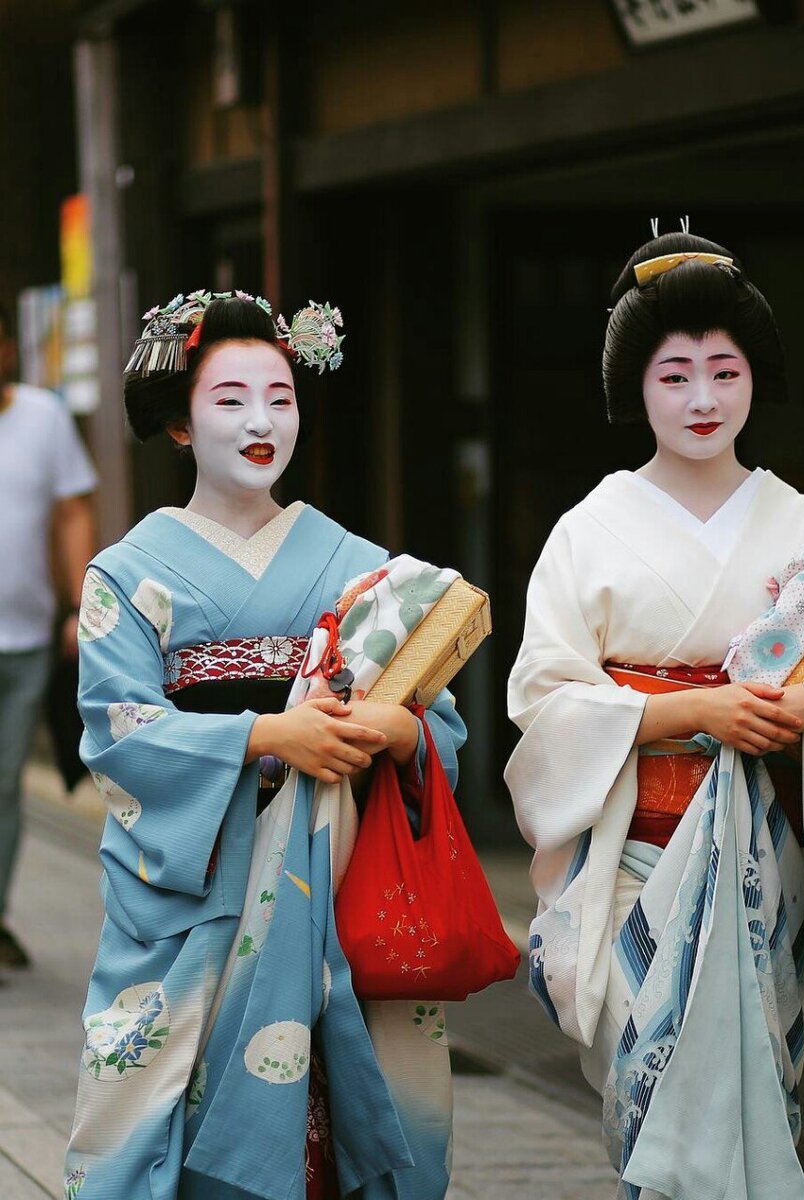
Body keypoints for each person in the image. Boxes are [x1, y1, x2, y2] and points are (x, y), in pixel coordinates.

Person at [505, 232, 804, 1199]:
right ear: (636, 388)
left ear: (753, 380)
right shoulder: (588, 529)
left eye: (724, 371)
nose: (702, 399)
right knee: (647, 1089)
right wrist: (691, 710)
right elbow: (541, 696)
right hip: (632, 854)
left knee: (756, 1085)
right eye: (674, 374)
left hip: (764, 849)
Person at [62, 292, 466, 1200]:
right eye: (231, 398)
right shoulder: (126, 574)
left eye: (280, 397)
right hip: (201, 887)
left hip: (337, 870)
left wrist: (401, 731)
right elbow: (120, 729)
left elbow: (435, 719)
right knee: (172, 1112)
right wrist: (266, 736)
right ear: (178, 423)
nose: (261, 422)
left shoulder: (359, 562)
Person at [0, 301, 97, 970]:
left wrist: (78, 605)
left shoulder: (44, 416)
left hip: (27, 636)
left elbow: (71, 513)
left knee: (4, 784)